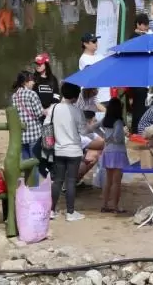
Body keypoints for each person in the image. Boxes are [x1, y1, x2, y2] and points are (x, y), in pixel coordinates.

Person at [48, 81, 86, 222]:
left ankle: (51, 210)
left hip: (58, 149)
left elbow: (47, 125)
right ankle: (70, 212)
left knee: (57, 180)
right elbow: (83, 130)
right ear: (76, 97)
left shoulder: (54, 108)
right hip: (74, 150)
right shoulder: (77, 111)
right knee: (70, 181)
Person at [11, 71, 46, 182]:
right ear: (26, 82)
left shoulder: (14, 95)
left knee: (26, 164)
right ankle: (33, 189)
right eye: (32, 80)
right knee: (34, 163)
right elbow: (39, 113)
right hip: (34, 134)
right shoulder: (32, 94)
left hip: (22, 135)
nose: (34, 82)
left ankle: (27, 187)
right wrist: (47, 111)